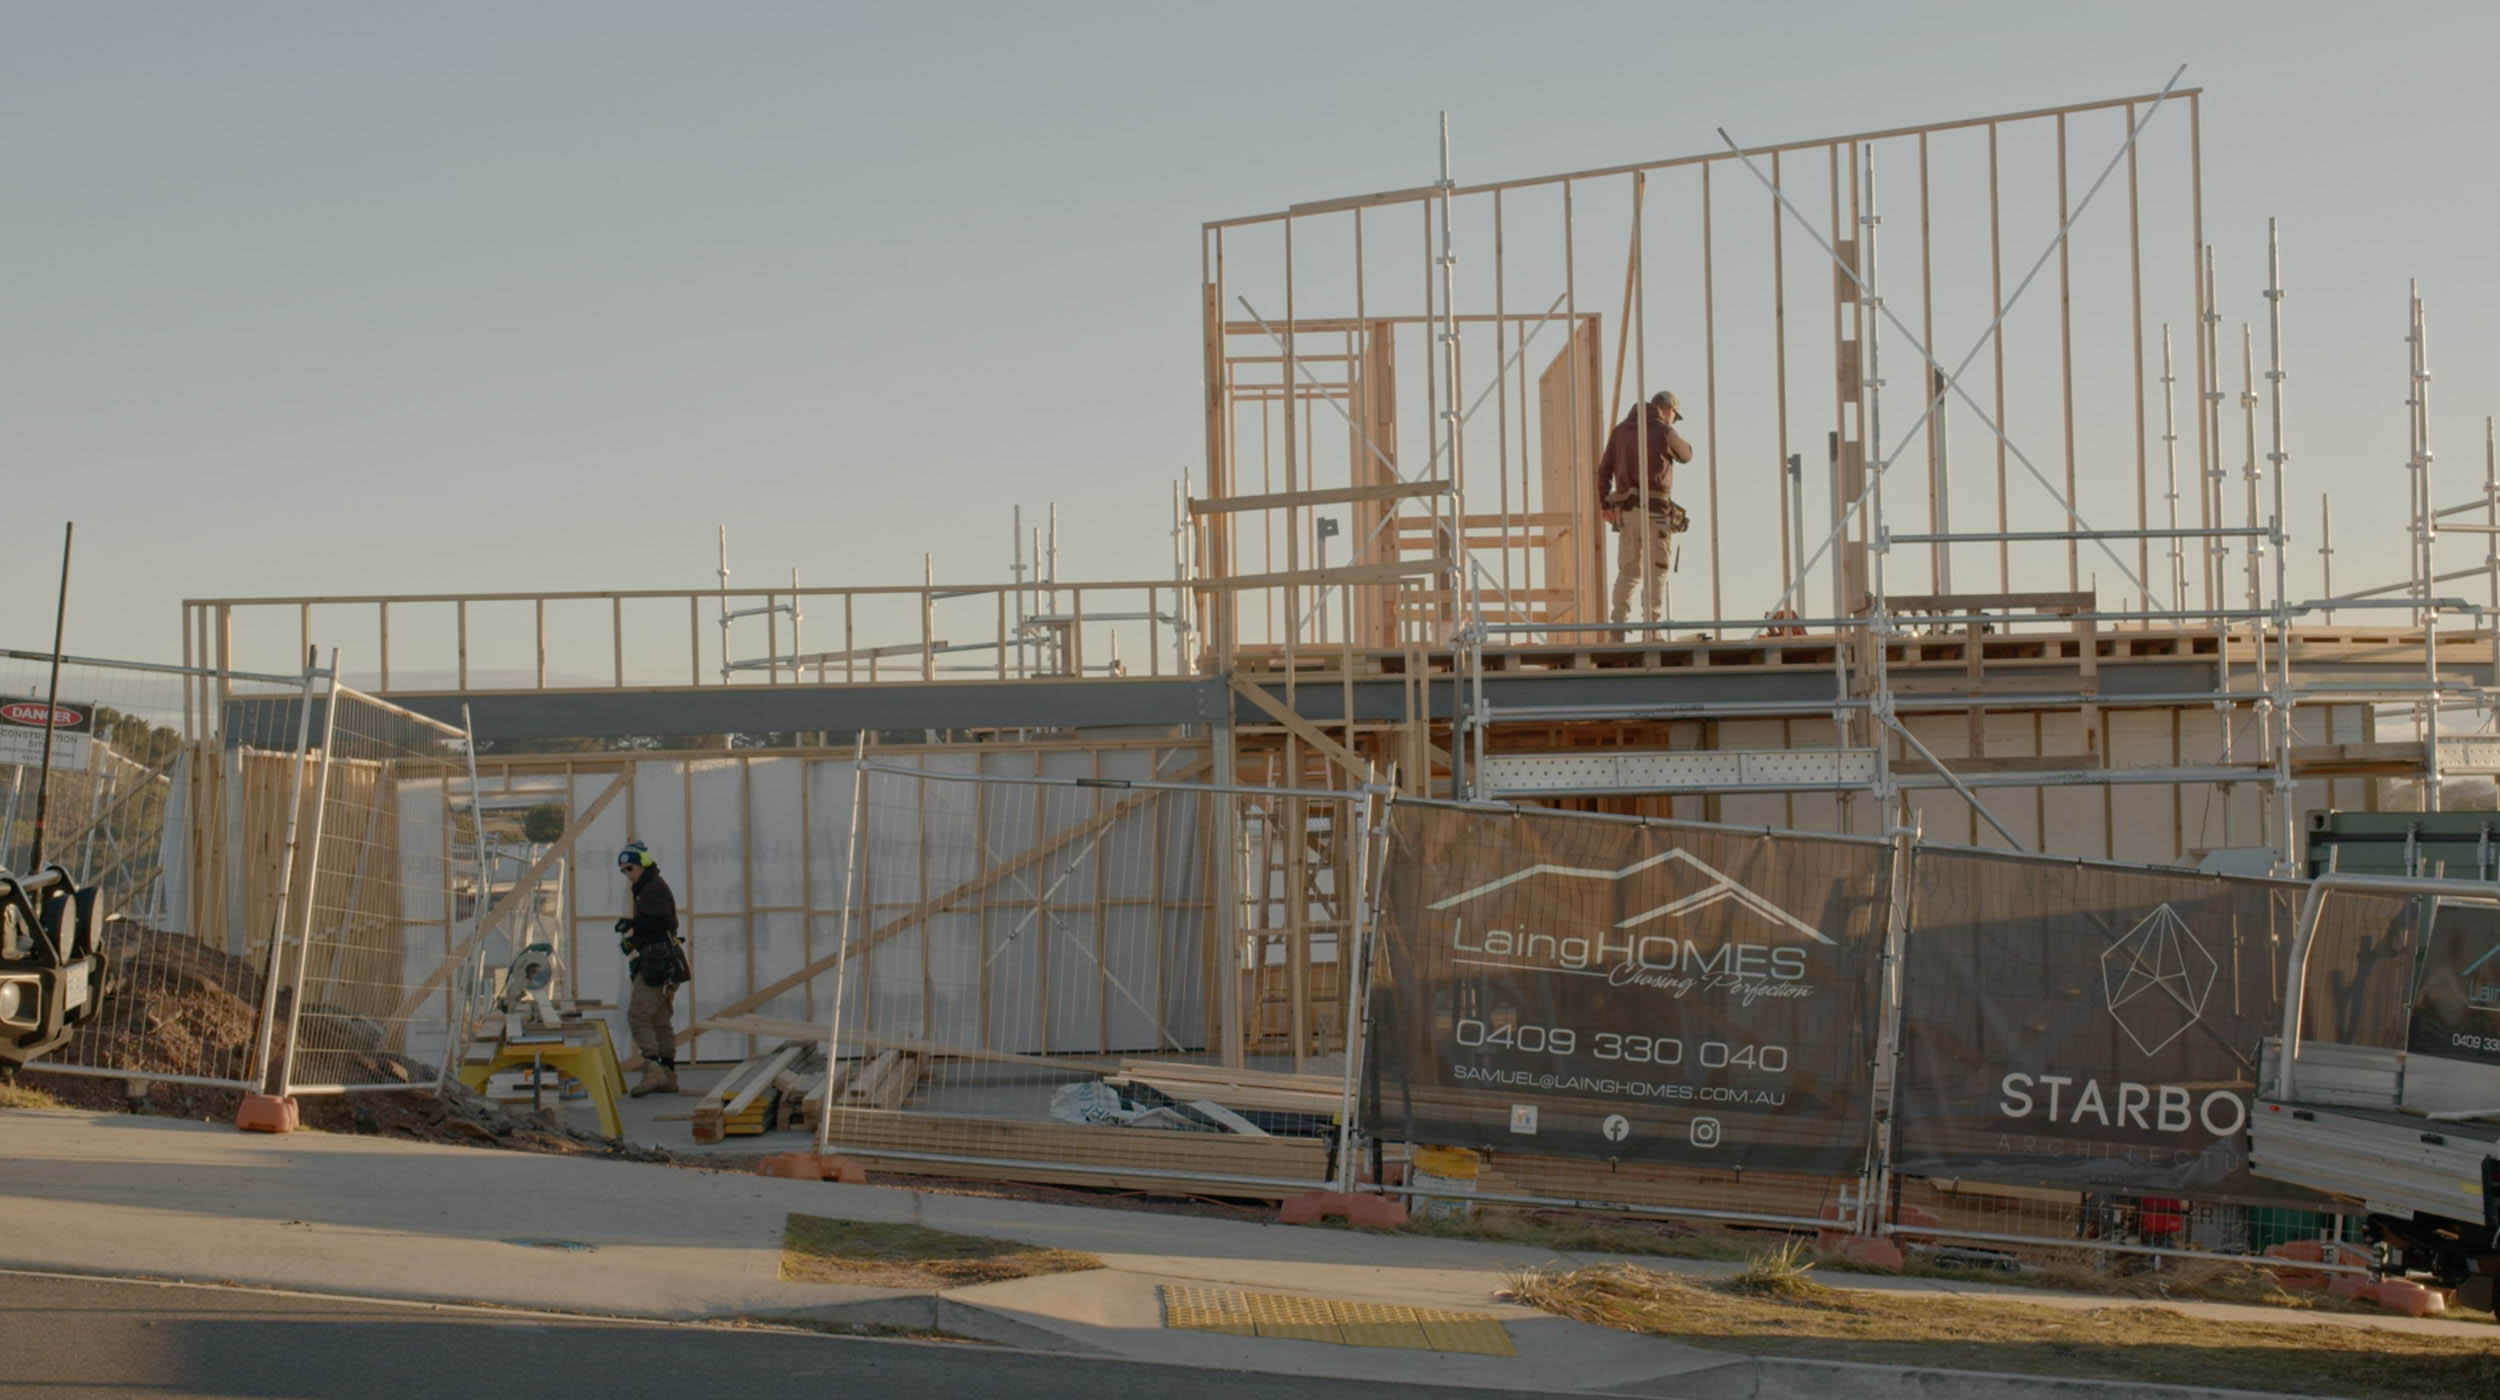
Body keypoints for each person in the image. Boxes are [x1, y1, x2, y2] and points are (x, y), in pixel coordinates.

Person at [1596, 390, 1695, 625]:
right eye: (1674, 415)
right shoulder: (1665, 431)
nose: (1673, 419)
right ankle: (1653, 629)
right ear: (1668, 410)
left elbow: (1603, 472)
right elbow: (1687, 455)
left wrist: (1604, 505)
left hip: (1627, 515)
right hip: (1656, 514)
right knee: (1657, 571)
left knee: (1628, 573)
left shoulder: (1620, 432)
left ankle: (1617, 629)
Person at [615, 840, 687, 1096]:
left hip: (658, 963)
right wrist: (635, 937)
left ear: (642, 864)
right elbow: (660, 924)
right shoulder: (648, 886)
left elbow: (661, 921)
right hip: (665, 960)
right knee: (659, 1019)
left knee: (638, 1015)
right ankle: (668, 1074)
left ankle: (654, 1069)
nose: (627, 874)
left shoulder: (652, 888)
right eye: (623, 870)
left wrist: (633, 926)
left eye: (630, 868)